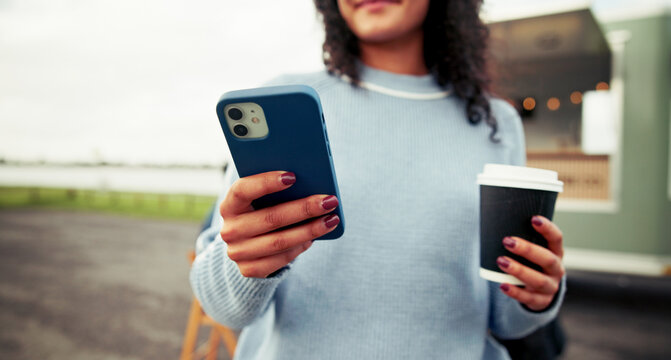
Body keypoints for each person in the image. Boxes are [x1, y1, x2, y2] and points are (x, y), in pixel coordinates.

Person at [190, 0, 567, 359]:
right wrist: (242, 263)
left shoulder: (496, 123)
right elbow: (223, 307)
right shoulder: (282, 103)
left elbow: (507, 319)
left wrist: (537, 292)